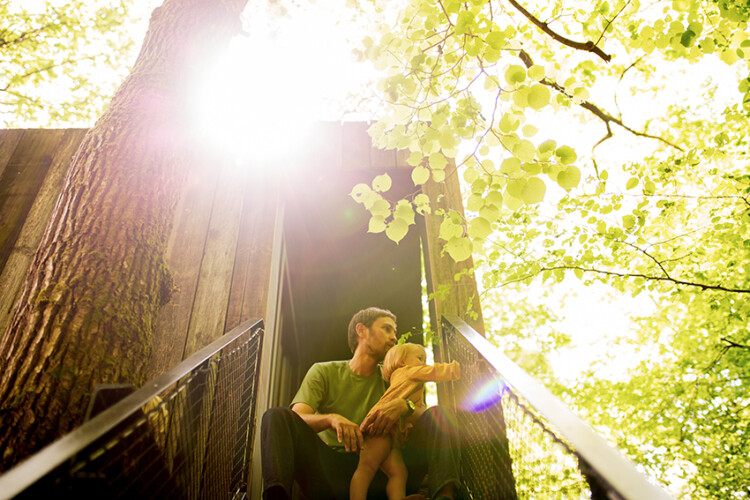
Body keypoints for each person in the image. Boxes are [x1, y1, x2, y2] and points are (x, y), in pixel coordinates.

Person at [261, 307, 464, 500]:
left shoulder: (394, 378)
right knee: (276, 416)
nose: (394, 337)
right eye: (386, 329)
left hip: (383, 472)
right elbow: (299, 417)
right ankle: (276, 496)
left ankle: (444, 495)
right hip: (331, 470)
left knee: (441, 414)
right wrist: (332, 419)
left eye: (394, 331)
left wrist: (404, 407)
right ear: (361, 330)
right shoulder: (323, 371)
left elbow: (424, 417)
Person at [350, 343, 460, 500]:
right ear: (402, 362)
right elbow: (434, 371)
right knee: (366, 468)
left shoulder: (402, 380)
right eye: (419, 358)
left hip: (394, 434)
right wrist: (457, 368)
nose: (424, 363)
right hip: (379, 426)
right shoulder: (408, 371)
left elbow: (419, 412)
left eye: (424, 359)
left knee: (399, 472)